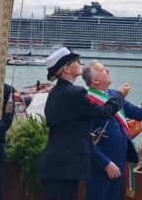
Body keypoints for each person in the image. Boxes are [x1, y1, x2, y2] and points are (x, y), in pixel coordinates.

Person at [39, 47, 128, 200]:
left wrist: (85, 136)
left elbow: (64, 127)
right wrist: (120, 95)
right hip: (64, 169)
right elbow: (104, 112)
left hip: (55, 165)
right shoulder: (75, 93)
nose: (80, 63)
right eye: (76, 61)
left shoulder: (55, 93)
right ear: (67, 68)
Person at [82, 60, 142, 200]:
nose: (108, 70)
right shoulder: (87, 101)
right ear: (95, 80)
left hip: (120, 162)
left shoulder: (113, 94)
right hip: (99, 167)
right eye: (102, 70)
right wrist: (105, 163)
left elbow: (136, 113)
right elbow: (84, 139)